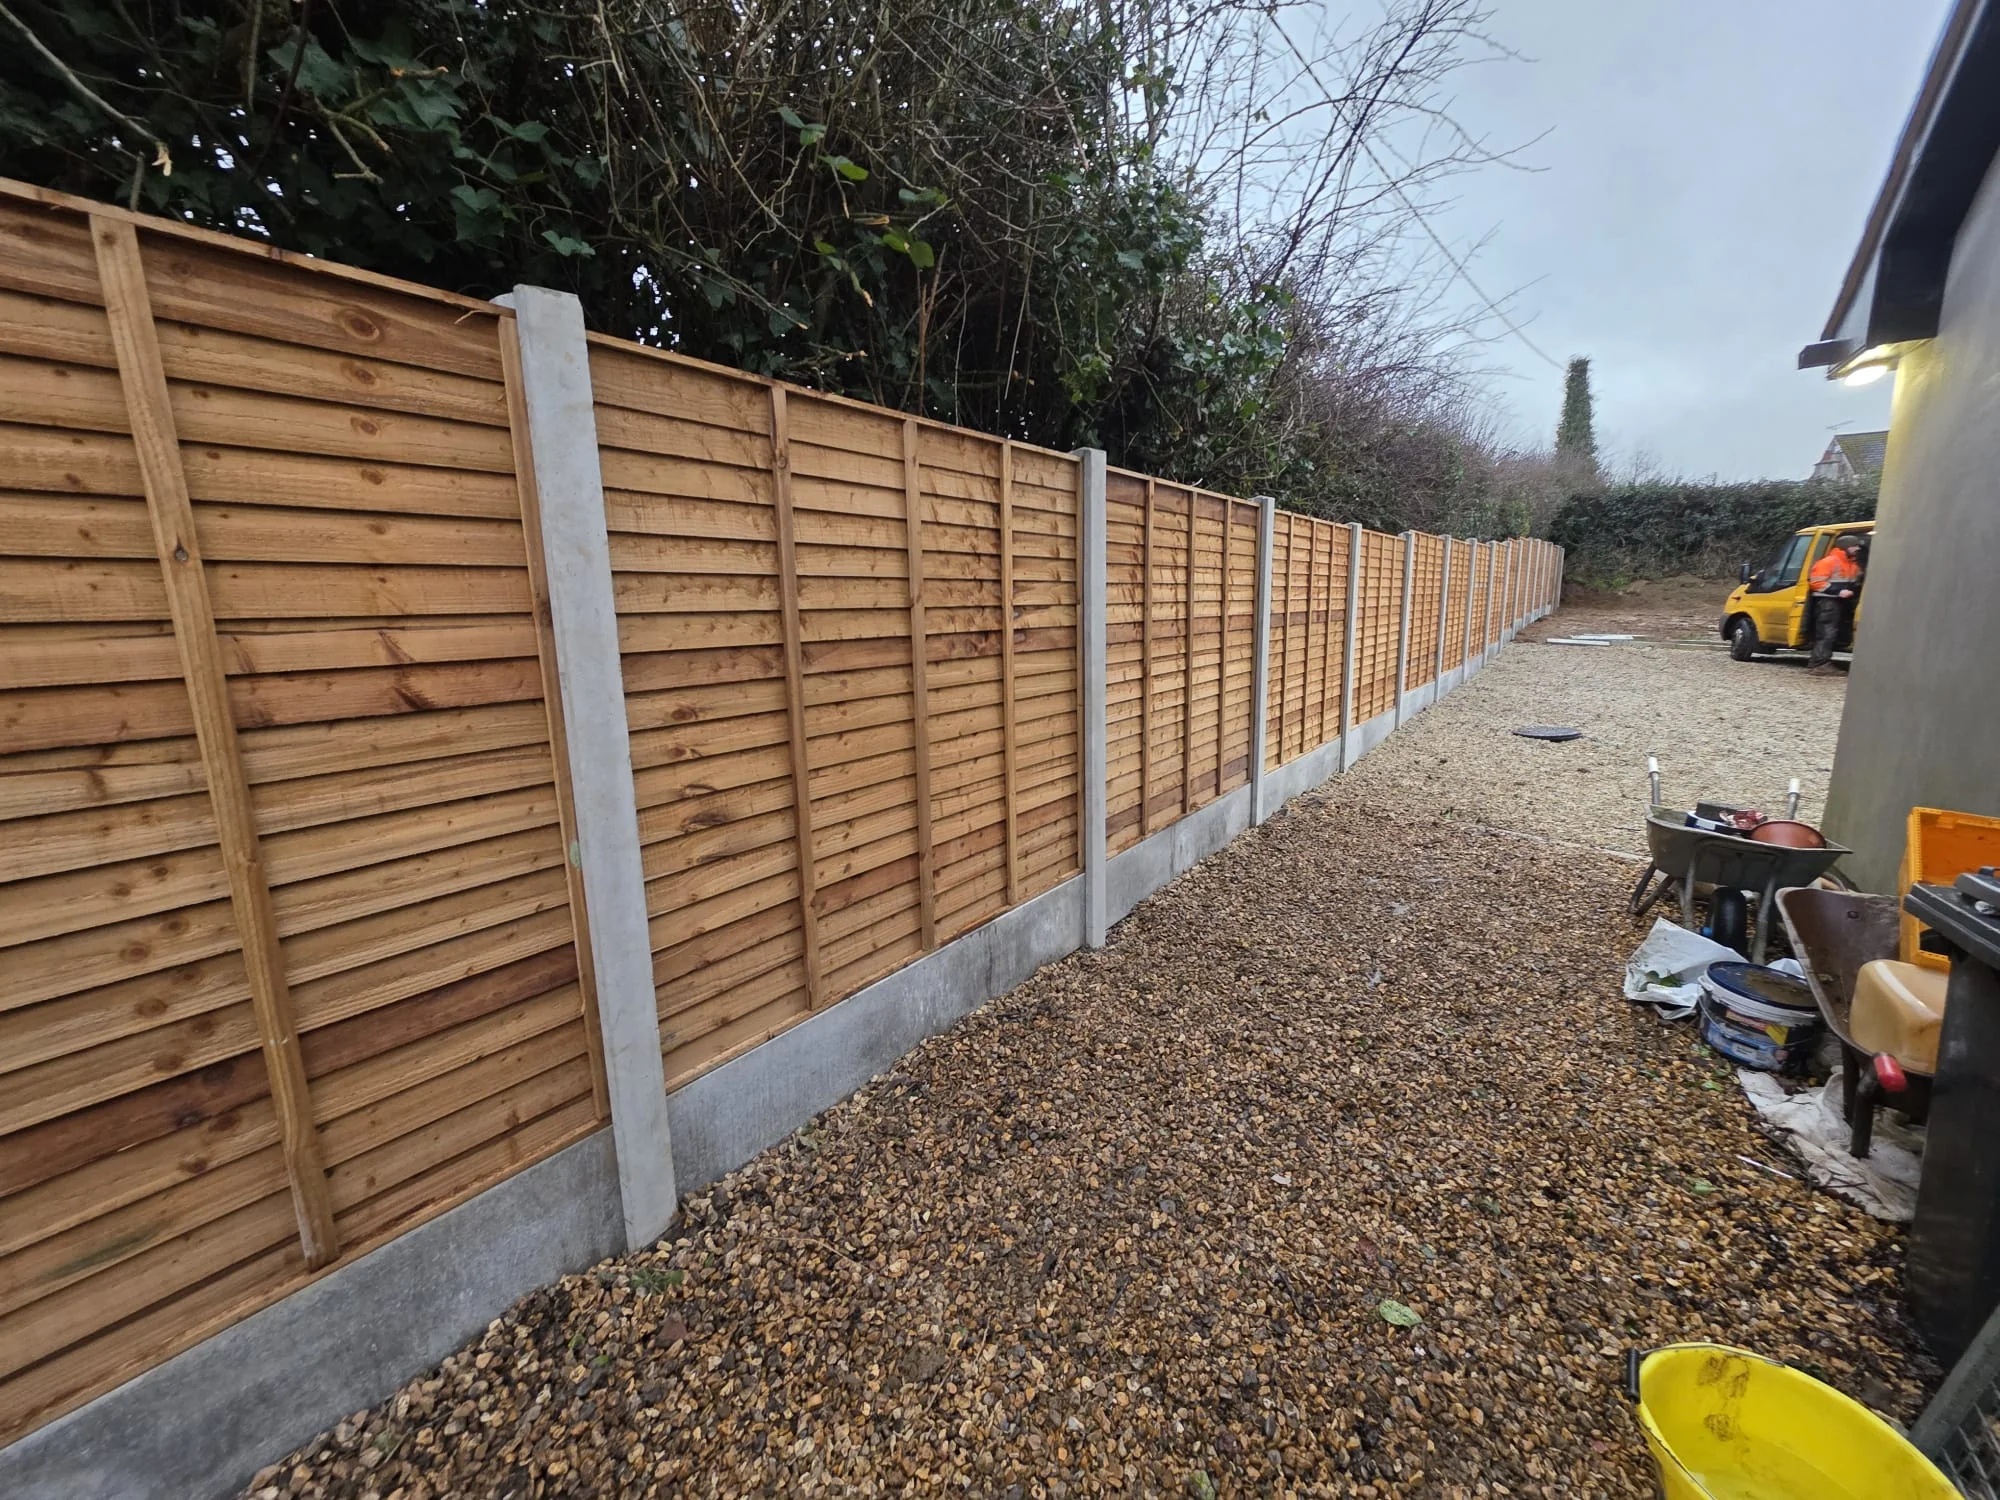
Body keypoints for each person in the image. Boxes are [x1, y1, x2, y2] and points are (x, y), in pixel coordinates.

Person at [1806, 534, 1865, 674]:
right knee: (1827, 633)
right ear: (1845, 547)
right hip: (1827, 602)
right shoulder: (1829, 562)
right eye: (1854, 546)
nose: (1857, 549)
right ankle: (1820, 664)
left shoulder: (1852, 564)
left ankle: (1819, 662)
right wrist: (1839, 592)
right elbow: (1815, 582)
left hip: (1839, 602)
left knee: (1831, 633)